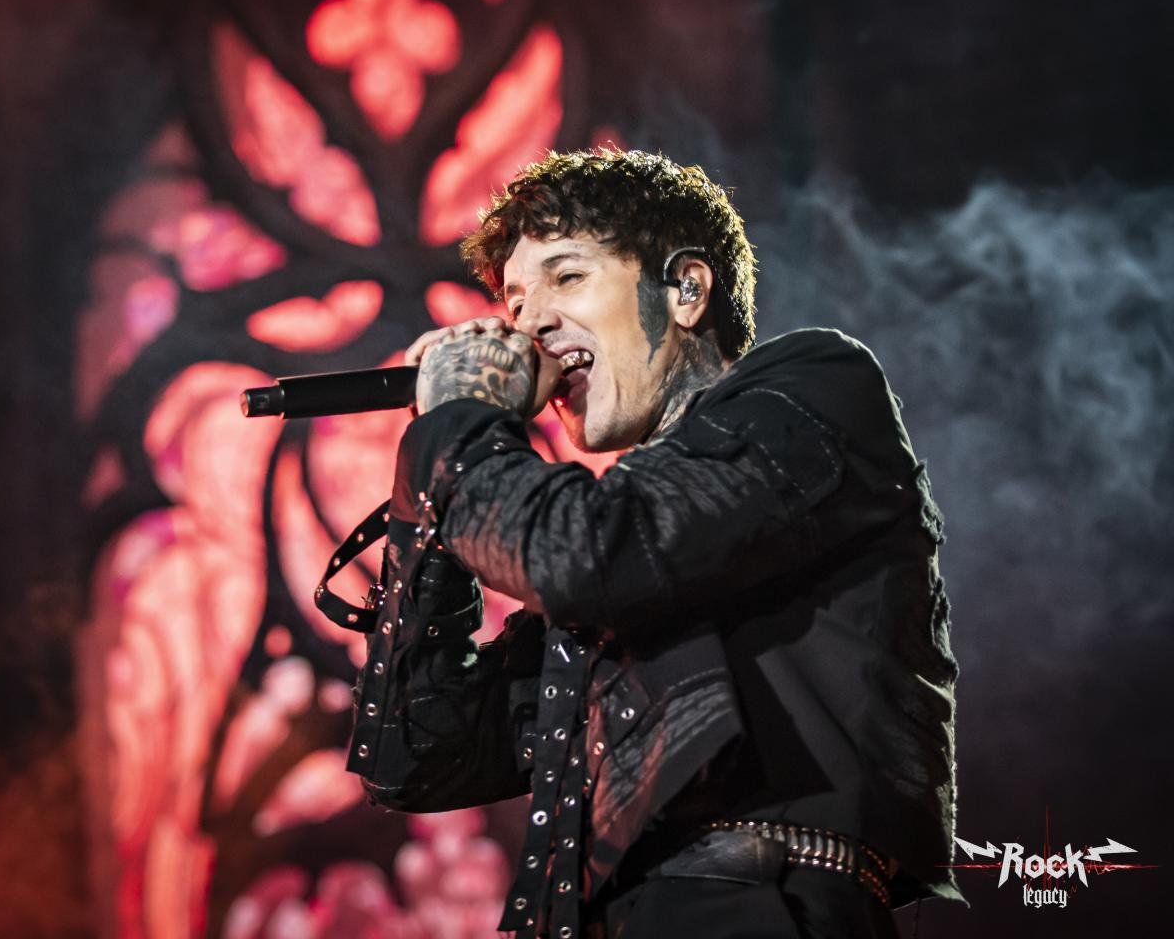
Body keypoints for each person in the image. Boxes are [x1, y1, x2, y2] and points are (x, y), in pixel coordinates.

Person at [318, 149, 963, 938]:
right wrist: (436, 476)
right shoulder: (625, 551)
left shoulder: (815, 388)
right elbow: (414, 760)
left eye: (566, 277)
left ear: (687, 289)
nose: (529, 325)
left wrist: (461, 429)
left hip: (756, 912)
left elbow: (585, 557)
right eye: (514, 302)